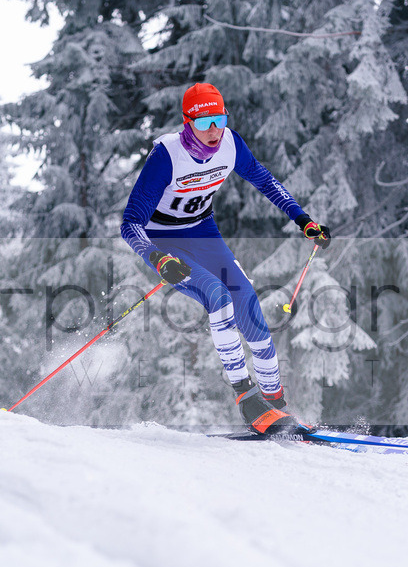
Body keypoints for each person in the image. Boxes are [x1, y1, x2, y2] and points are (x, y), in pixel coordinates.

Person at [121, 83, 332, 434]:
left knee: (248, 305)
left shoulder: (230, 144)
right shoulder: (166, 156)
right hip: (164, 241)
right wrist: (157, 258)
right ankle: (247, 400)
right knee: (217, 296)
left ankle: (275, 404)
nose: (214, 130)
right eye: (205, 123)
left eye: (219, 118)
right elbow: (130, 224)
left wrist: (302, 219)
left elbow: (264, 180)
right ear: (188, 122)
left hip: (203, 233)